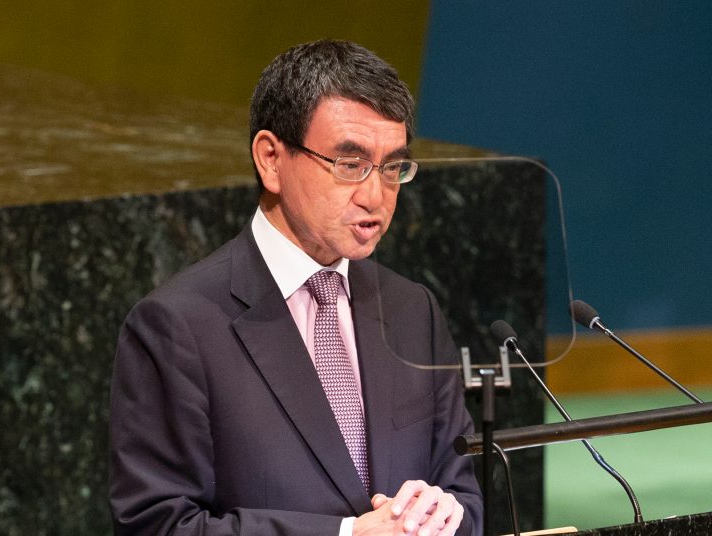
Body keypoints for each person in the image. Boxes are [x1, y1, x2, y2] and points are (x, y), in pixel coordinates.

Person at [109, 39, 482, 536]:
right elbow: (159, 526)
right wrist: (348, 535)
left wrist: (443, 514)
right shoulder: (177, 326)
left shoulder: (413, 308)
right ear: (270, 159)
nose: (375, 195)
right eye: (350, 165)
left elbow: (465, 497)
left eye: (392, 167)